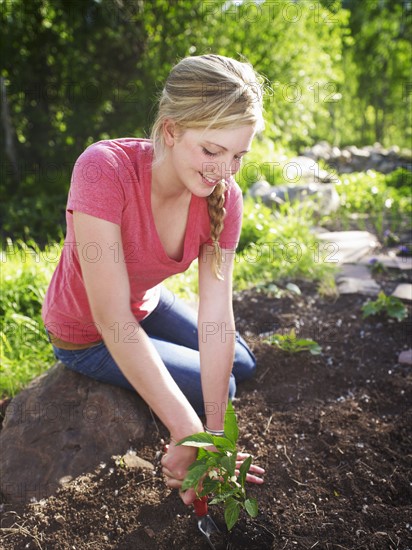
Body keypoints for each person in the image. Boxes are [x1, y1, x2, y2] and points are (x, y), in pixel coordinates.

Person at [42, 53, 265, 504]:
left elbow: (217, 313)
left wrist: (215, 440)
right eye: (211, 151)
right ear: (170, 129)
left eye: (238, 156)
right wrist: (187, 427)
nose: (224, 171)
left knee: (241, 365)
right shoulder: (103, 169)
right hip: (88, 333)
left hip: (146, 301)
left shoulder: (224, 196)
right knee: (228, 385)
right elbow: (111, 317)